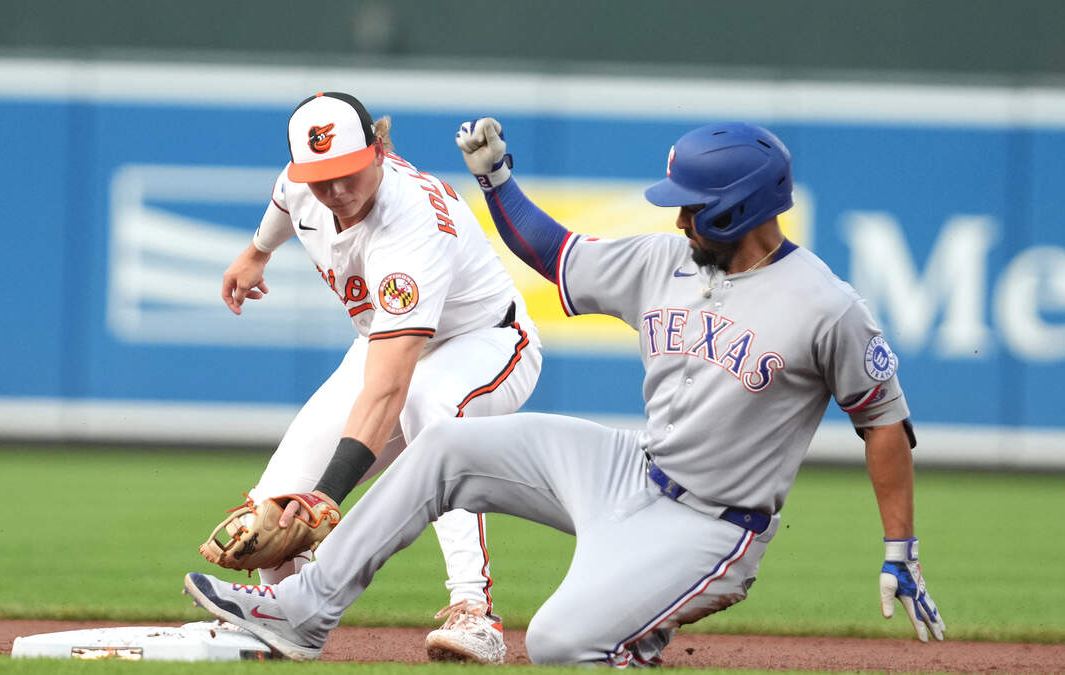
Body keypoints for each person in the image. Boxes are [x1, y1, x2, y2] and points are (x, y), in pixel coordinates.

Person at [184, 118, 945, 665]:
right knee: (444, 444)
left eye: (694, 204)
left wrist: (900, 550)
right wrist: (497, 181)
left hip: (715, 524)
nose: (680, 216)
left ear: (741, 207)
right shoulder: (665, 260)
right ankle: (305, 610)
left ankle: (633, 627)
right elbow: (553, 253)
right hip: (631, 470)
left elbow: (883, 423)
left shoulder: (827, 308)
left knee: (557, 644)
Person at [203, 94, 543, 664]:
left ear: (379, 149)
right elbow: (286, 198)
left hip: (486, 341)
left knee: (430, 410)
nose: (336, 188)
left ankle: (475, 612)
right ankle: (290, 618)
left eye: (347, 171)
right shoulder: (302, 183)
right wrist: (256, 252)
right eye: (321, 178)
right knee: (271, 510)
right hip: (384, 340)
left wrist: (327, 497)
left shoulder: (411, 224)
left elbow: (389, 390)